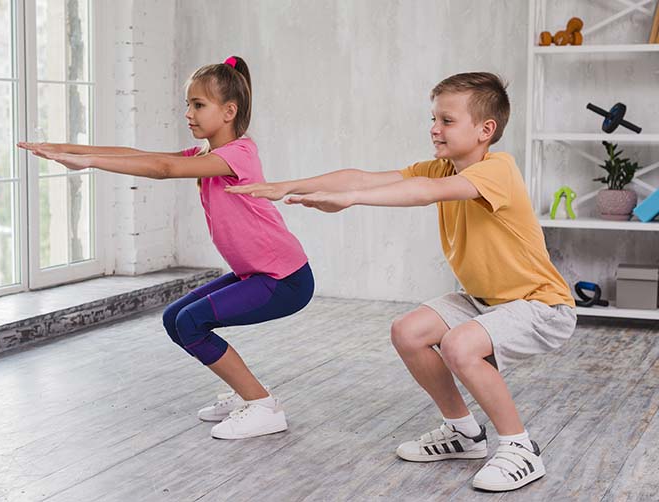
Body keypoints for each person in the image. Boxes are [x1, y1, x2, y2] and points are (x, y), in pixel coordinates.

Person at [227, 72, 576, 490]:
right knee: (408, 331)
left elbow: (425, 192)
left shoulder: (497, 170)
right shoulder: (442, 167)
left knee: (459, 345)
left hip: (541, 305)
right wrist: (287, 186)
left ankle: (520, 448)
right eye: (434, 119)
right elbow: (364, 178)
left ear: (487, 130)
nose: (434, 128)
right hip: (485, 300)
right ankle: (464, 433)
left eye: (447, 120)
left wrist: (351, 199)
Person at [19, 56, 314, 440]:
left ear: (229, 111)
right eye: (187, 105)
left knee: (192, 322)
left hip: (285, 279)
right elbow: (140, 155)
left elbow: (162, 169)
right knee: (177, 318)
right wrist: (66, 149)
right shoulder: (207, 156)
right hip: (257, 274)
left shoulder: (239, 154)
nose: (188, 114)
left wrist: (89, 161)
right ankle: (249, 395)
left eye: (198, 105)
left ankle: (262, 406)